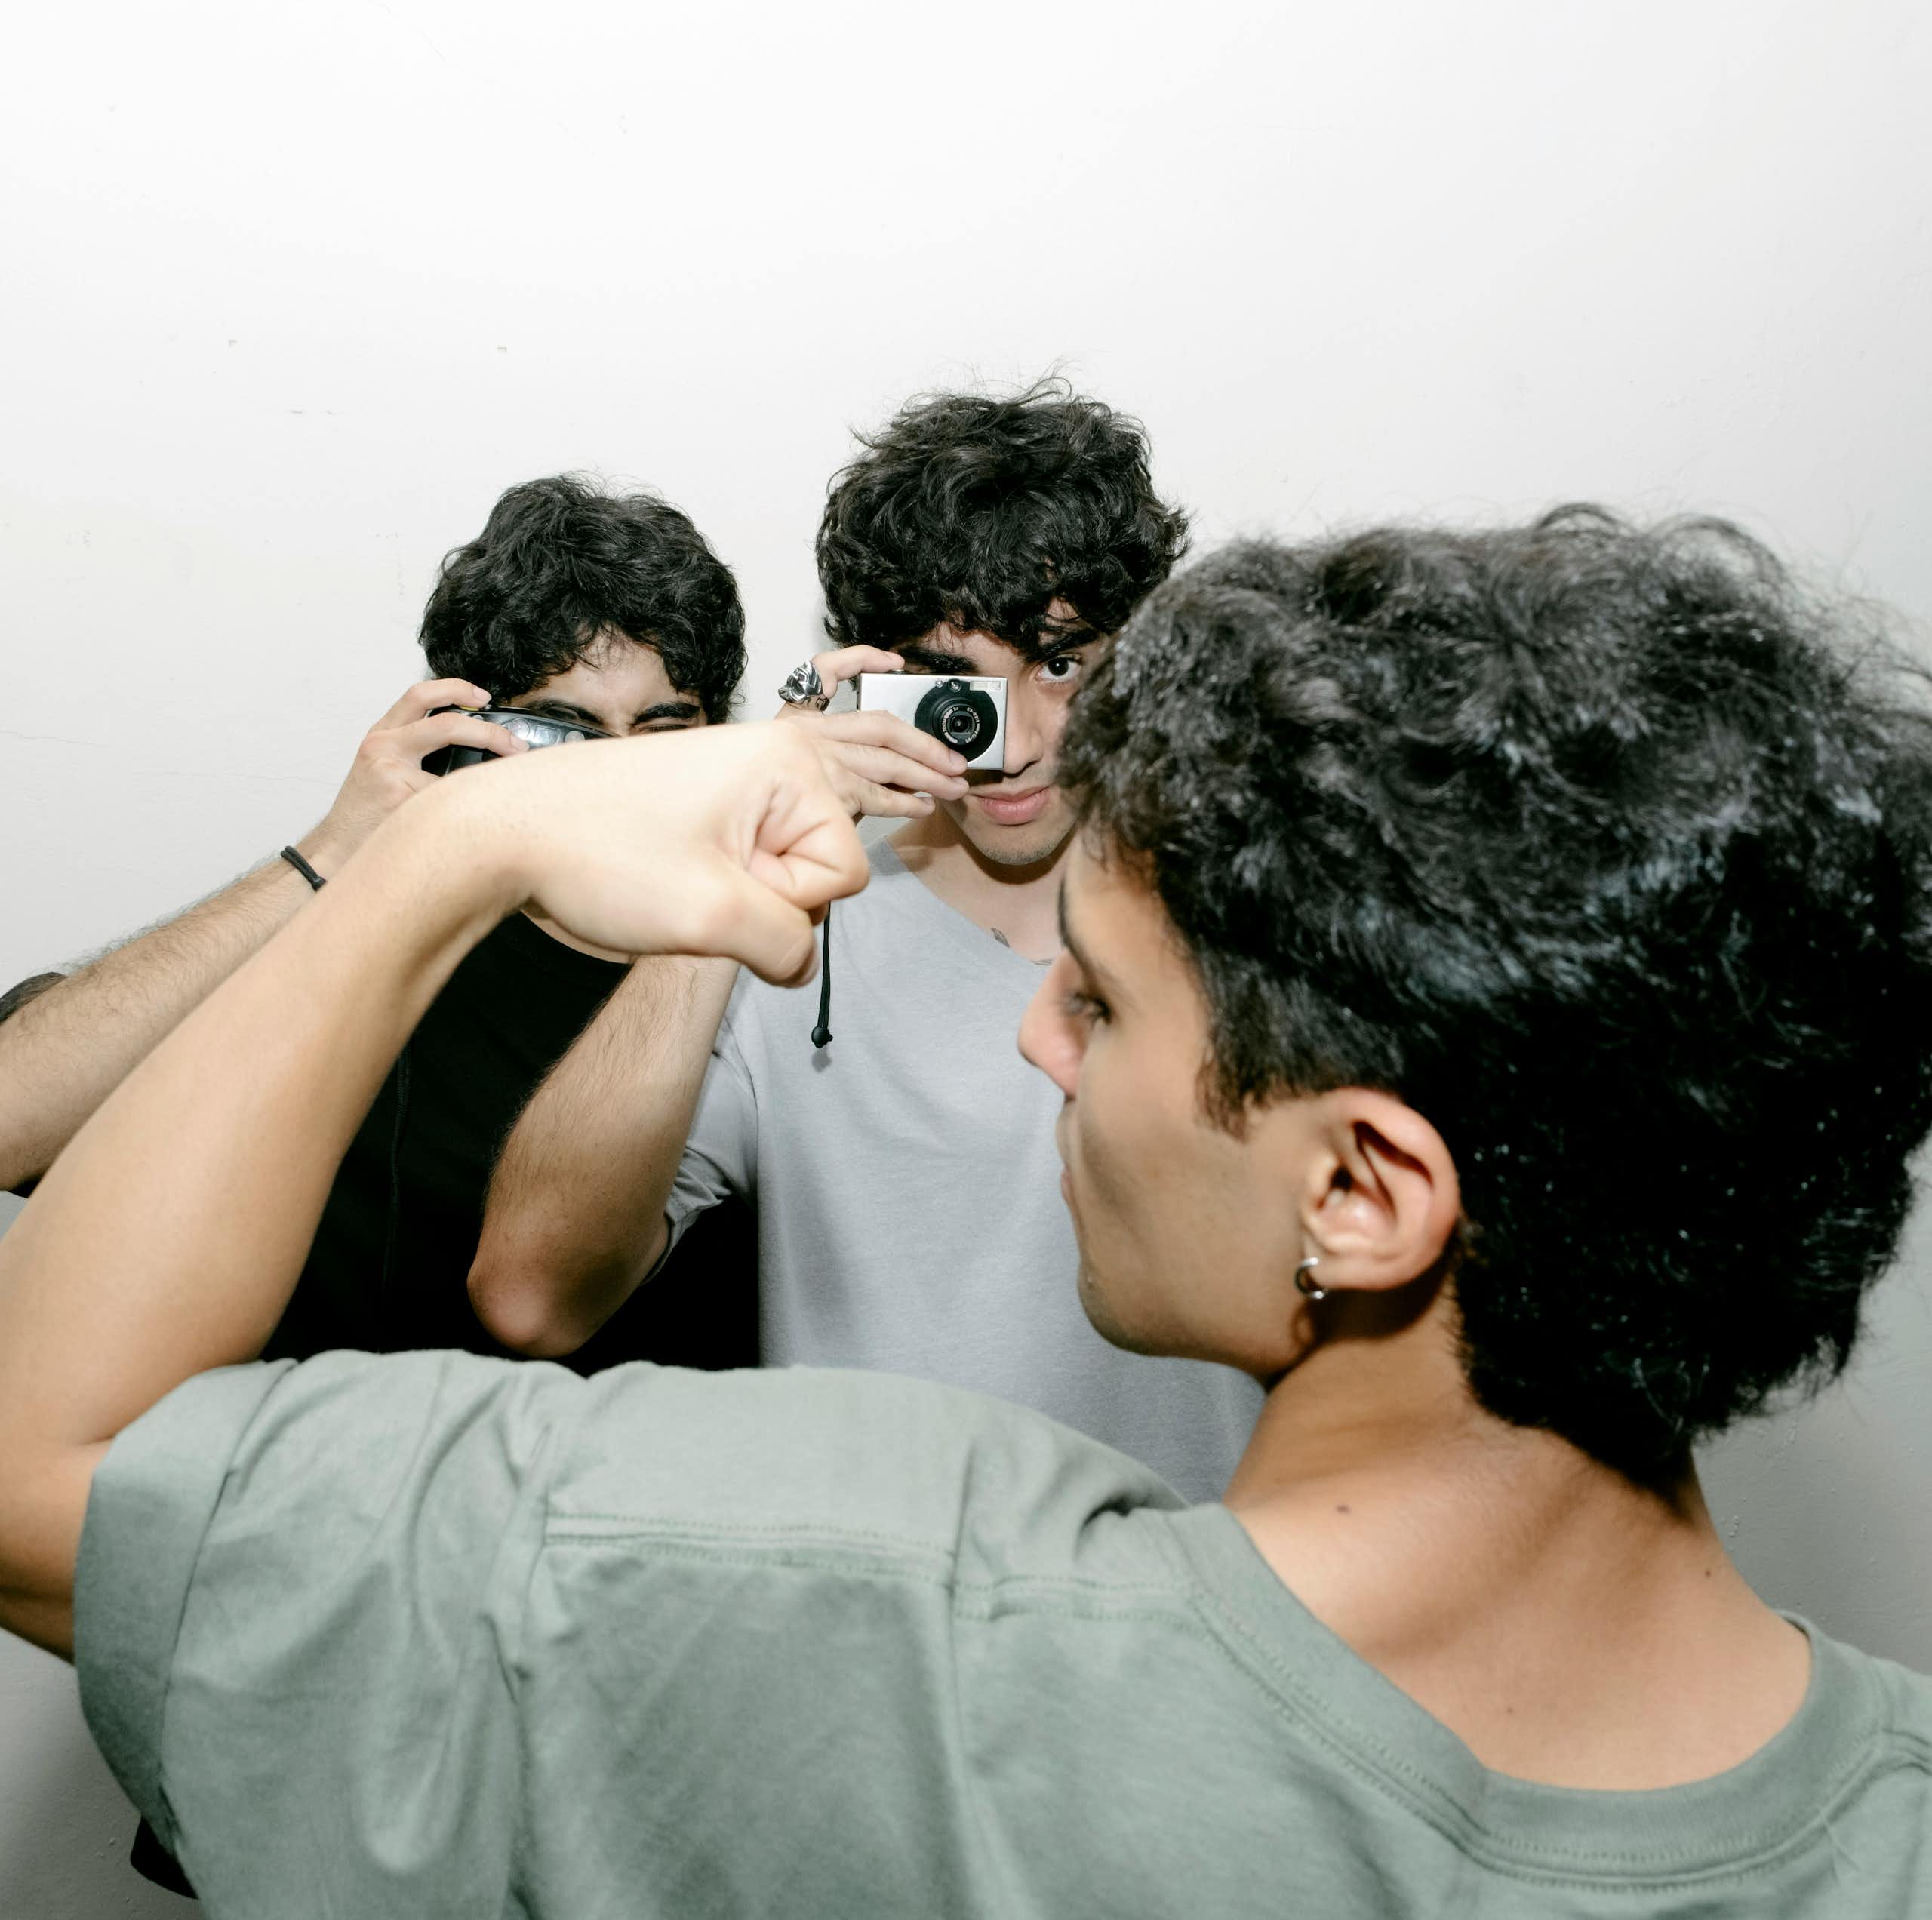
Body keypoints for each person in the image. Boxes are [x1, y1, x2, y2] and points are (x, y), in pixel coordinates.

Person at [5, 511, 1932, 1917]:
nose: (1035, 1034)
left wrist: (448, 843)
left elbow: (40, 1473)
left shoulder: (853, 1626)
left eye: (1102, 1000)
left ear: (1359, 1190)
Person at [0, 473, 760, 1896]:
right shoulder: (362, 948)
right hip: (307, 1685)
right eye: (564, 731)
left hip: (628, 1719)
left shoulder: (760, 974)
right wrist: (342, 856)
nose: (618, 775)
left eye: (664, 733)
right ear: (471, 734)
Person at [468, 384, 1266, 1503]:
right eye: (957, 683)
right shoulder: (787, 937)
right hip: (877, 1600)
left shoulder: (1259, 909)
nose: (1015, 744)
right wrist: (744, 851)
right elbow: (531, 1295)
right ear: (878, 674)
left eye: (1061, 664)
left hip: (1198, 1584)